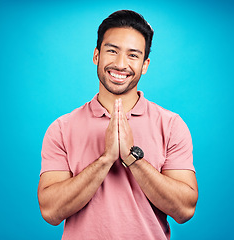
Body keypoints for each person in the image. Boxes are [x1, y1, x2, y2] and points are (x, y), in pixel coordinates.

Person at [38, 10, 198, 240]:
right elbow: (50, 212)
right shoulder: (61, 128)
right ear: (96, 55)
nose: (120, 64)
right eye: (112, 51)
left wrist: (132, 158)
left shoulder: (171, 125)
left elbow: (184, 210)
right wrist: (105, 159)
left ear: (145, 65)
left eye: (133, 55)